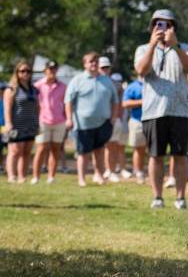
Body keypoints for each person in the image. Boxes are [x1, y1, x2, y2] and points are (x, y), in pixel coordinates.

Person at [134, 9, 188, 209]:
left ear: (174, 28)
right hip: (154, 111)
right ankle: (157, 197)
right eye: (158, 24)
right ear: (152, 27)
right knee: (155, 156)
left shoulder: (184, 47)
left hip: (180, 110)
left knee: (179, 156)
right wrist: (153, 45)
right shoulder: (143, 48)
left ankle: (180, 198)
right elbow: (142, 70)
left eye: (167, 24)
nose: (162, 28)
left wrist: (176, 45)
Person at [65, 52, 120, 187]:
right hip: (83, 124)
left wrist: (113, 117)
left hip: (103, 123)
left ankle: (99, 175)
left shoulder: (106, 80)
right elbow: (68, 101)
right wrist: (69, 119)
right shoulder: (77, 80)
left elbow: (115, 101)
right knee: (83, 153)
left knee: (99, 151)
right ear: (85, 64)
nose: (94, 63)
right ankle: (82, 179)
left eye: (96, 61)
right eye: (91, 61)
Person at [32, 61, 67, 185]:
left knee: (55, 149)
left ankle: (51, 177)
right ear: (45, 70)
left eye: (54, 69)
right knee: (41, 149)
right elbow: (34, 105)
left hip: (59, 121)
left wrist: (67, 118)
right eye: (50, 69)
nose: (52, 71)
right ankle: (36, 177)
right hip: (43, 121)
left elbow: (66, 104)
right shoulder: (37, 86)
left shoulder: (63, 86)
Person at [3, 59, 38, 183]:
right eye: (22, 71)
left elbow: (37, 106)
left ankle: (22, 176)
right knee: (14, 151)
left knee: (26, 151)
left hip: (31, 124)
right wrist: (8, 123)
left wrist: (37, 121)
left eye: (28, 71)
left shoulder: (33, 89)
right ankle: (11, 176)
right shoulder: (11, 89)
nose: (26, 73)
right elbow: (7, 107)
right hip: (16, 124)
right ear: (17, 72)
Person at [99, 60, 128, 180]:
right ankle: (103, 171)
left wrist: (117, 117)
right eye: (103, 67)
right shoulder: (93, 83)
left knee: (113, 145)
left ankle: (110, 170)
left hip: (113, 119)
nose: (105, 70)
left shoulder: (116, 84)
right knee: (100, 147)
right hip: (98, 120)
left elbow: (121, 103)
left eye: (107, 67)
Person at [122, 76, 147, 183]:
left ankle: (152, 172)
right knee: (139, 148)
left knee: (154, 150)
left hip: (154, 121)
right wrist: (143, 101)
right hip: (138, 121)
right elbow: (125, 103)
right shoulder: (133, 86)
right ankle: (139, 172)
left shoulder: (155, 83)